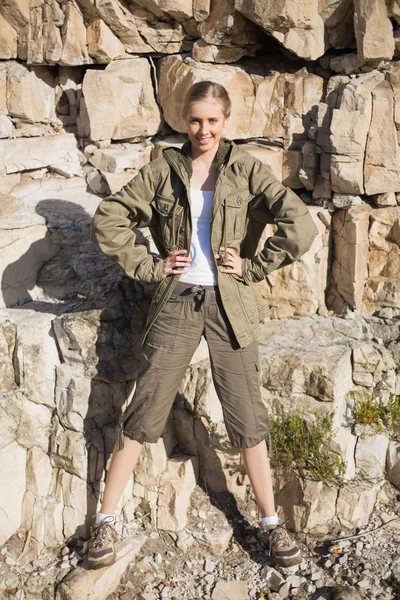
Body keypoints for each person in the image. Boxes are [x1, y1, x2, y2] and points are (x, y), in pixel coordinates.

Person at [88, 81, 318, 570]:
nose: (203, 130)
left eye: (212, 120)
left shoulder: (247, 170)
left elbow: (301, 225)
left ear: (225, 121)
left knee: (247, 419)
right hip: (177, 301)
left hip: (231, 305)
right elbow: (109, 218)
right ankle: (104, 525)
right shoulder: (164, 170)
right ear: (183, 121)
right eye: (195, 120)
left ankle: (271, 526)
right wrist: (152, 266)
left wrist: (252, 267)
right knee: (144, 412)